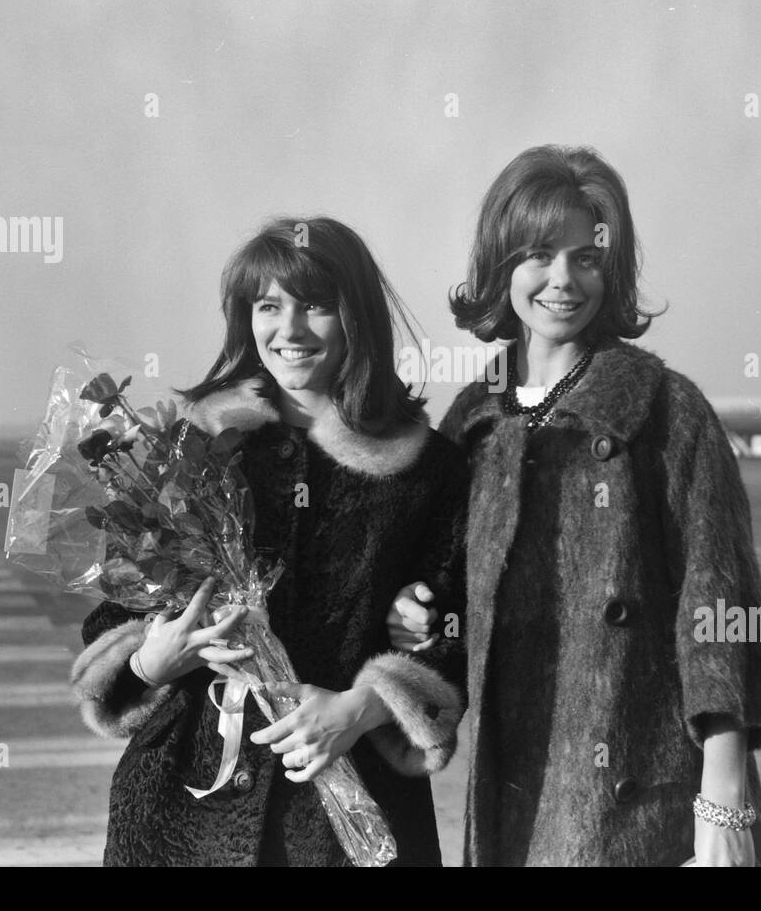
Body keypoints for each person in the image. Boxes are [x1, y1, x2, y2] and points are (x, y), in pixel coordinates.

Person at [394, 144, 761, 866]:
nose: (564, 281)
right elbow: (448, 611)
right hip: (514, 792)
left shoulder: (667, 412)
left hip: (645, 800)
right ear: (499, 264)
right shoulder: (472, 421)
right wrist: (421, 613)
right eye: (539, 254)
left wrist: (725, 802)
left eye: (589, 257)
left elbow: (723, 610)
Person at [71, 217, 468, 867]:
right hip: (180, 814)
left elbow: (460, 630)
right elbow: (113, 614)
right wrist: (150, 660)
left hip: (350, 819)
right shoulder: (189, 449)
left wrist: (360, 708)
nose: (290, 330)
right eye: (268, 306)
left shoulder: (429, 470)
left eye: (316, 305)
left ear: (356, 315)